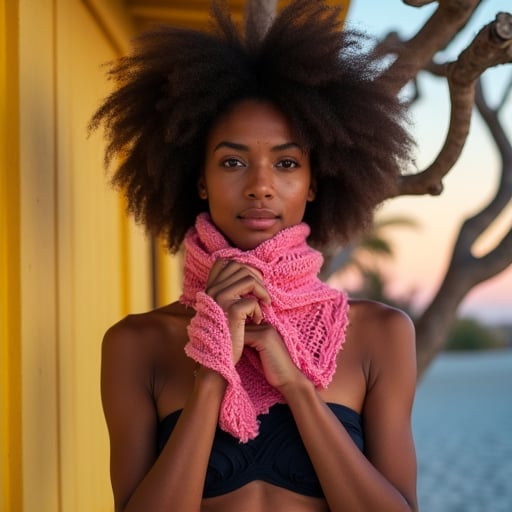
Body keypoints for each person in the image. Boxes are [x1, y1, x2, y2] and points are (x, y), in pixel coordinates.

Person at [91, 1, 418, 510]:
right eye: (233, 161)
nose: (261, 186)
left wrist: (299, 390)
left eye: (286, 162)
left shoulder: (382, 334)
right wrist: (211, 375)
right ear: (199, 179)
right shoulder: (136, 344)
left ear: (314, 182)